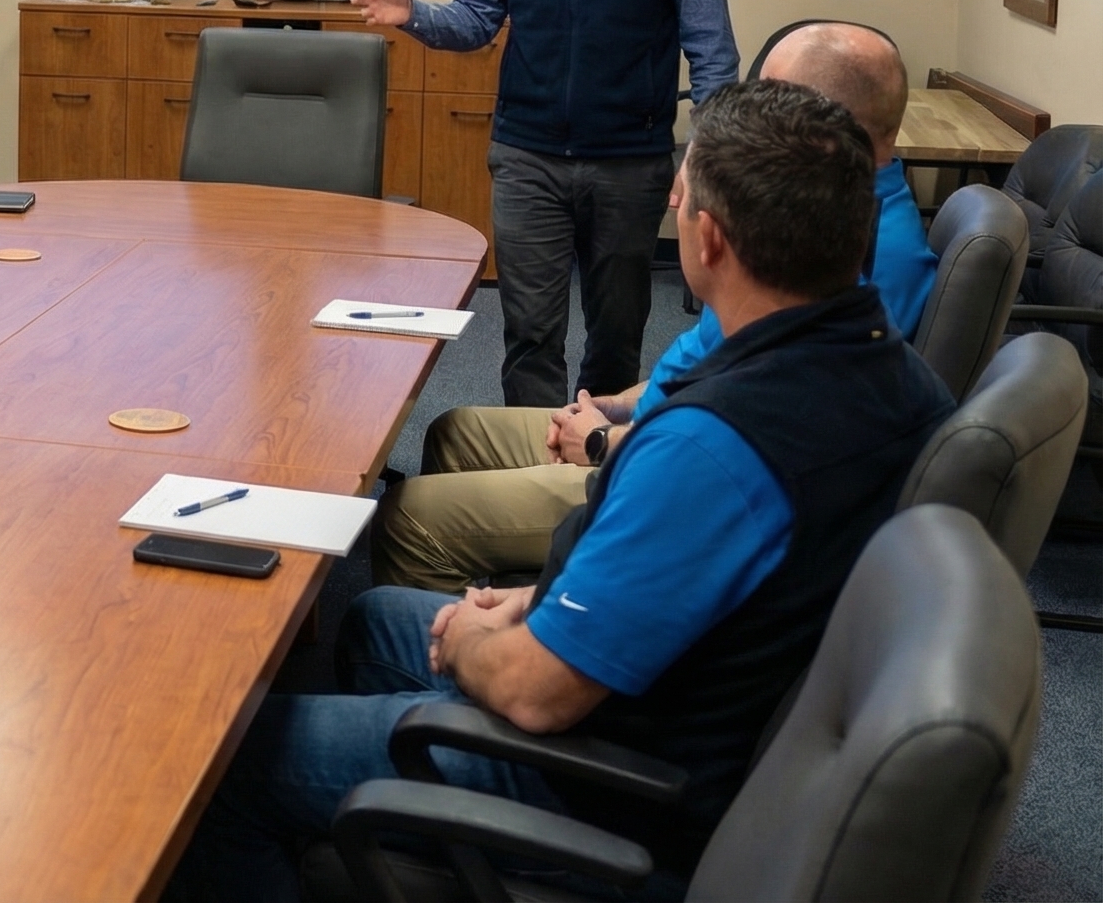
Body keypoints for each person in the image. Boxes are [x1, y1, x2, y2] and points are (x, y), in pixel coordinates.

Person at [168, 81, 953, 897]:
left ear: (710, 239)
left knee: (219, 764)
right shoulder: (893, 373)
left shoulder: (714, 448)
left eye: (681, 194)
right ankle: (384, 848)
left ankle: (379, 825)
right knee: (371, 623)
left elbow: (534, 693)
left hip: (609, 783)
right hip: (686, 696)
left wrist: (477, 644)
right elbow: (686, 580)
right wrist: (533, 603)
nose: (674, 204)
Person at [373, 20, 938, 591]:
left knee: (409, 519)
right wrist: (618, 405)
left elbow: (765, 440)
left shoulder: (861, 255)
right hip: (658, 430)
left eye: (769, 99)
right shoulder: (801, 220)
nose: (751, 114)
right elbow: (713, 361)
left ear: (818, 122)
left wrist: (604, 442)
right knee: (453, 433)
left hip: (674, 472)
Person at [353, 0, 739, 407]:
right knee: (529, 333)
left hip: (629, 160)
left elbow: (712, 50)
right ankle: (530, 459)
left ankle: (597, 455)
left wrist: (704, 154)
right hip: (527, 155)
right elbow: (476, 18)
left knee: (617, 335)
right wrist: (414, 14)